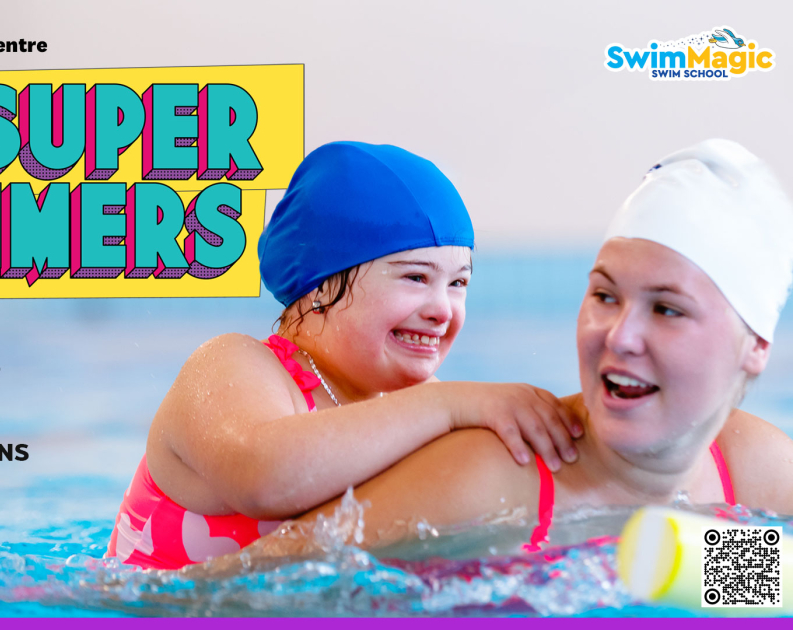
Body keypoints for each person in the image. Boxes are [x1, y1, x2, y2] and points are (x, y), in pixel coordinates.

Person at [250, 139, 793, 559]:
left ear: (756, 348)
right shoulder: (491, 477)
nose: (619, 337)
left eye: (667, 309)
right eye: (604, 295)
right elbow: (234, 590)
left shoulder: (757, 476)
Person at [106, 142, 583, 569]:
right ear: (318, 285)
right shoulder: (233, 366)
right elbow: (262, 478)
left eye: (458, 283)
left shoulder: (423, 406)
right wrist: (450, 406)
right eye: (416, 278)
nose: (443, 310)